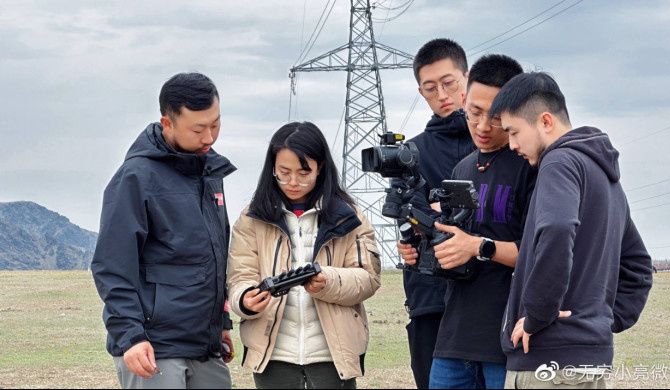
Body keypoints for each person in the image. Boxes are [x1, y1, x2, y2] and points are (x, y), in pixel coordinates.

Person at [488, 72, 654, 389]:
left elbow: (557, 228)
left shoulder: (559, 162)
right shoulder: (606, 178)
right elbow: (639, 266)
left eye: (514, 132)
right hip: (588, 361)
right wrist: (597, 322)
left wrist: (538, 315)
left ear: (546, 122)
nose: (511, 144)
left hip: (547, 366)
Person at [91, 73, 236, 389]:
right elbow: (112, 266)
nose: (209, 137)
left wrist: (221, 323)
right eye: (198, 129)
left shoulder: (210, 173)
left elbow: (216, 253)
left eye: (215, 124)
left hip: (205, 344)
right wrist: (131, 337)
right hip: (154, 345)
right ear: (167, 124)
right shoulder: (135, 178)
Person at [398, 54, 532, 389]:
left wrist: (476, 247)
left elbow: (543, 252)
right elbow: (457, 242)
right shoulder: (463, 169)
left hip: (508, 340)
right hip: (454, 337)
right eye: (473, 113)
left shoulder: (532, 165)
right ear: (465, 97)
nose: (483, 126)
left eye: (496, 118)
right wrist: (423, 244)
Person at [228, 122, 381, 389]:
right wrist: (245, 299)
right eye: (284, 173)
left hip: (334, 356)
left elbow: (368, 278)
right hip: (273, 356)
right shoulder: (251, 218)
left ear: (320, 168)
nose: (293, 182)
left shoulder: (349, 216)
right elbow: (239, 276)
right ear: (271, 167)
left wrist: (329, 281)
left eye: (304, 173)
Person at [400, 38, 477, 389]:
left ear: (468, 77)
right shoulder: (410, 152)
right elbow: (406, 216)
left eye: (449, 83)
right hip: (430, 296)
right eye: (430, 88)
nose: (442, 94)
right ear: (421, 90)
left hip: (492, 295)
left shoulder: (499, 142)